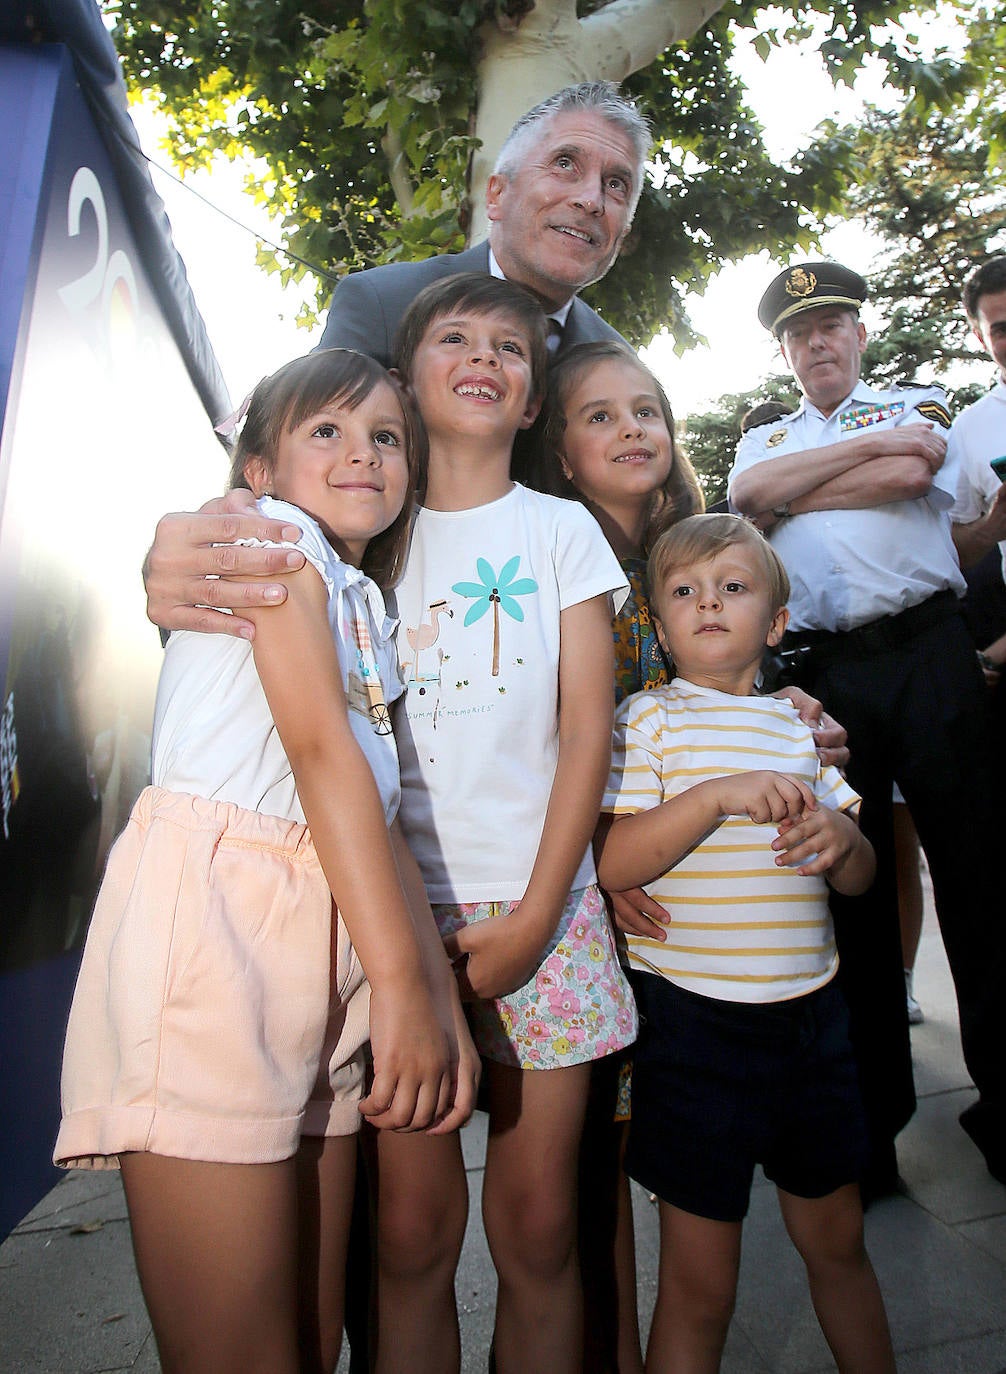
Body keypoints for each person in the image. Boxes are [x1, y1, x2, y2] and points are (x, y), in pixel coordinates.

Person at [54, 350, 479, 1374]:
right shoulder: (270, 539)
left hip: (328, 940)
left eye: (386, 437)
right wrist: (406, 991)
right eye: (325, 431)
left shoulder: (364, 607)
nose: (364, 453)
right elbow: (321, 752)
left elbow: (374, 820)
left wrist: (432, 1000)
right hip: (221, 935)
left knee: (309, 1332)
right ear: (257, 470)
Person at [369, 274, 636, 1374]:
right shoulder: (362, 534)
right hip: (394, 924)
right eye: (455, 339)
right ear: (408, 375)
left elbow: (586, 737)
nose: (483, 357)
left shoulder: (562, 530)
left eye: (508, 349)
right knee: (411, 1239)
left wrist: (536, 917)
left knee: (537, 1231)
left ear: (530, 400)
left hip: (546, 911)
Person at [140, 80, 651, 640]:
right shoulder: (382, 302)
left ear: (625, 231)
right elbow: (302, 467)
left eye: (616, 185)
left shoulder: (619, 368)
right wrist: (213, 548)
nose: (590, 198)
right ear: (498, 194)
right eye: (564, 164)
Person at [729, 260, 1006, 1188]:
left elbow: (912, 466)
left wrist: (788, 493)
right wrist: (835, 469)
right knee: (852, 891)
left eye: (833, 325)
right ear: (783, 350)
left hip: (931, 658)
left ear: (858, 332)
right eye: (801, 332)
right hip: (830, 673)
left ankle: (1004, 1108)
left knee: (976, 877)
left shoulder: (916, 401)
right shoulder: (760, 433)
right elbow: (744, 499)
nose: (819, 343)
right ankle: (873, 1128)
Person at [597, 512, 893, 1374]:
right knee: (700, 1283)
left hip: (813, 1021)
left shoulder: (799, 727)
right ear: (658, 622)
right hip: (695, 1029)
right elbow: (613, 858)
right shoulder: (646, 722)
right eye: (684, 591)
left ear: (775, 622)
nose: (708, 604)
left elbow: (861, 873)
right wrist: (714, 797)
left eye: (732, 587)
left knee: (838, 1242)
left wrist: (847, 846)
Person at [950, 255, 1006, 692]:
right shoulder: (969, 430)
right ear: (979, 335)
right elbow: (957, 549)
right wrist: (992, 527)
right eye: (1001, 329)